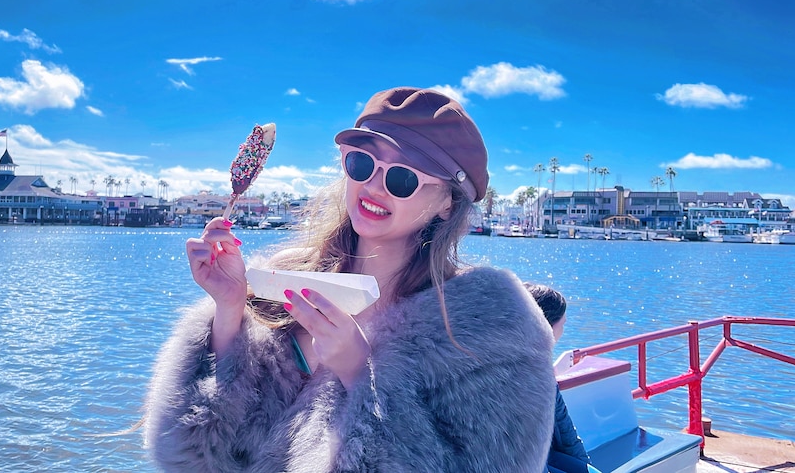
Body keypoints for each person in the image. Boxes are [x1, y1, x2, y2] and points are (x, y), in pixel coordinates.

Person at [143, 87, 557, 472]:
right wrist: (229, 309)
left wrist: (361, 375)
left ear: (448, 203)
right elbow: (189, 454)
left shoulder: (494, 331)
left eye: (403, 177)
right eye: (362, 163)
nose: (375, 186)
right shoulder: (279, 287)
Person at [524, 283, 597, 473]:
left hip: (543, 456)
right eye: (562, 324)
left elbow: (566, 432)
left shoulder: (539, 370)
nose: (562, 331)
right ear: (547, 327)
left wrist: (587, 467)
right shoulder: (526, 374)